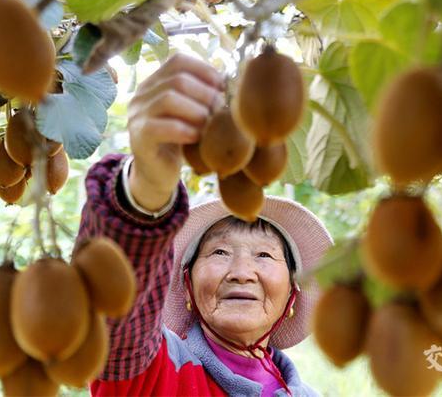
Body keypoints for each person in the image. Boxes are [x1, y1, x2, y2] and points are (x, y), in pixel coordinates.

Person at [76, 54, 333, 396]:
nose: (241, 272)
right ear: (187, 283)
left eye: (265, 257)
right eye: (220, 252)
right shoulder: (155, 369)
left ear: (292, 294)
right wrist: (149, 184)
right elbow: (116, 317)